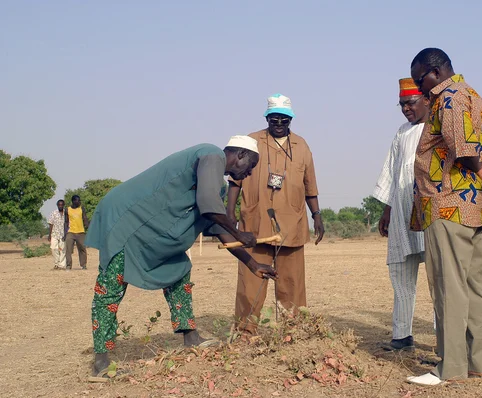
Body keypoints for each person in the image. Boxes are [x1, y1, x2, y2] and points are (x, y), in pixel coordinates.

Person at [85, 136, 278, 375]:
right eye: (251, 166)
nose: (248, 174)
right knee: (110, 288)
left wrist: (252, 263)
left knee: (180, 270)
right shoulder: (211, 154)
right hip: (125, 222)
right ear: (240, 155)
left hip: (151, 232)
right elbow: (209, 206)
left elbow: (217, 227)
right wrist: (237, 230)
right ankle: (101, 361)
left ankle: (190, 336)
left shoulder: (218, 185)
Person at [407, 48, 482, 386]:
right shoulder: (476, 96)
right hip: (474, 205)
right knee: (475, 285)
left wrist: (478, 165)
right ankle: (477, 362)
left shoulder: (447, 98)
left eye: (420, 80)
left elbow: (460, 144)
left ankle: (451, 368)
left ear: (435, 70)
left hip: (446, 204)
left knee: (449, 287)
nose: (419, 89)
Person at [228, 94, 324, 333]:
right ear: (267, 118)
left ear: (290, 119)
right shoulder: (251, 141)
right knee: (250, 281)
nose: (279, 123)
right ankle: (245, 332)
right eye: (274, 118)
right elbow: (234, 181)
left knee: (292, 283)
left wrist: (317, 215)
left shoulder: (302, 145)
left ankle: (293, 332)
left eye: (284, 118)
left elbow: (310, 185)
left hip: (291, 223)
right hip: (255, 222)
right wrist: (229, 212)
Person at [373, 78, 428, 351]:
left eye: (411, 103)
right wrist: (387, 209)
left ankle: (449, 338)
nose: (406, 109)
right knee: (401, 273)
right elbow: (391, 172)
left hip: (430, 213)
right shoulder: (401, 132)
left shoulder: (437, 129)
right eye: (402, 104)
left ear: (426, 100)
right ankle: (402, 335)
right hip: (402, 212)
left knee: (440, 277)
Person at [64, 195, 89, 270]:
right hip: (70, 232)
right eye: (78, 200)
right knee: (68, 249)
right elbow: (66, 222)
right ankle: (68, 265)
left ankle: (83, 265)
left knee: (82, 249)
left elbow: (85, 219)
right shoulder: (67, 209)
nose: (79, 202)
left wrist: (88, 227)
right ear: (74, 201)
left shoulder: (82, 208)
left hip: (80, 232)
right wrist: (65, 233)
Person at [48, 199, 67, 270]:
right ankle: (56, 263)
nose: (60, 206)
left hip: (63, 234)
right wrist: (49, 235)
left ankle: (61, 265)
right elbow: (50, 224)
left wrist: (67, 233)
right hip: (54, 233)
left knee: (62, 250)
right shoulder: (54, 213)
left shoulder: (66, 213)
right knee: (53, 248)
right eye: (59, 205)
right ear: (57, 205)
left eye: (62, 205)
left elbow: (68, 224)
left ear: (64, 205)